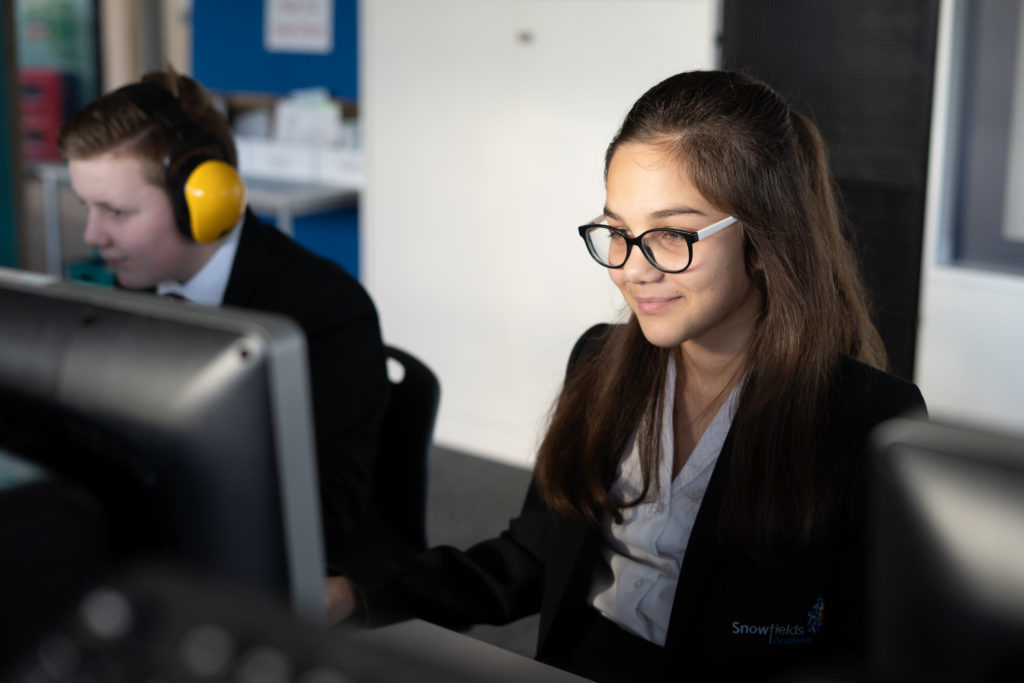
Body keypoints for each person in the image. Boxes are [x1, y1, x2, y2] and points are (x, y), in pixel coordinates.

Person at [325, 70, 926, 681]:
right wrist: (357, 595)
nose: (631, 269)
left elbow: (870, 655)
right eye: (617, 231)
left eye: (669, 234)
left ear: (765, 237)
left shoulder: (869, 418)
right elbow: (534, 555)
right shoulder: (600, 361)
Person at [57, 68, 391, 572]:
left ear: (205, 202)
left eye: (117, 212)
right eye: (86, 207)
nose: (93, 236)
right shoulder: (127, 292)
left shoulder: (325, 312)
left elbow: (322, 518)